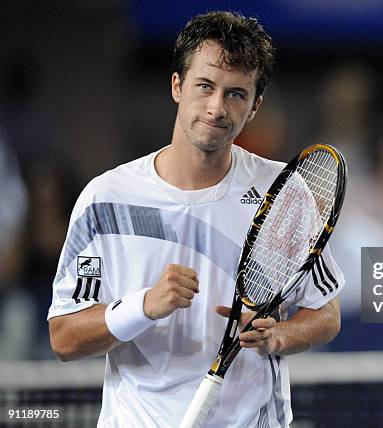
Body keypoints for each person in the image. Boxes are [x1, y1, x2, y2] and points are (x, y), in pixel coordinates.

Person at [48, 11, 344, 428]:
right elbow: (64, 338)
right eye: (205, 86)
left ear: (255, 106)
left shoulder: (283, 192)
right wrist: (143, 306)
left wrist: (281, 336)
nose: (216, 107)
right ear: (177, 86)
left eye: (236, 94)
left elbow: (325, 314)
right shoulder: (105, 198)